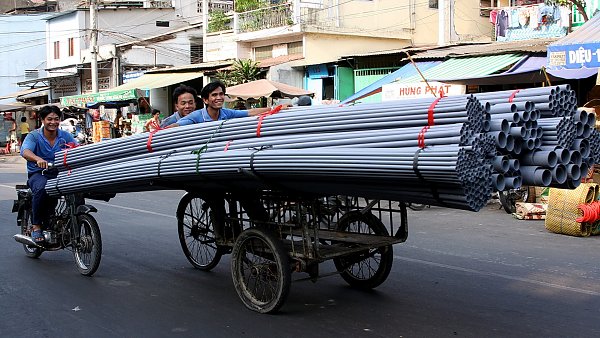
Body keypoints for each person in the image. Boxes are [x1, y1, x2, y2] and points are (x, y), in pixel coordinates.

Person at [20, 105, 77, 244]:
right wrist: (38, 159)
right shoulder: (34, 136)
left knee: (78, 188)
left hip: (59, 172)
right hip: (39, 173)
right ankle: (36, 226)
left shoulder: (65, 136)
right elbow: (25, 151)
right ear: (42, 120)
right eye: (49, 119)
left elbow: (76, 148)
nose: (53, 122)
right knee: (41, 188)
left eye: (56, 119)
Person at [169, 81, 290, 127]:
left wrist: (276, 108)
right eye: (214, 95)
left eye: (221, 94)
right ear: (205, 100)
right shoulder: (196, 116)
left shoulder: (227, 113)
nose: (219, 98)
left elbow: (249, 113)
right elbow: (176, 126)